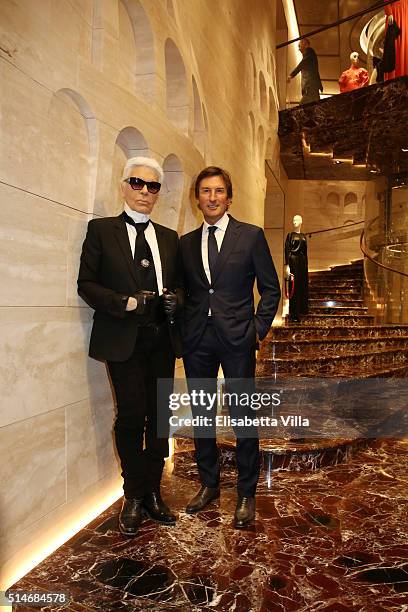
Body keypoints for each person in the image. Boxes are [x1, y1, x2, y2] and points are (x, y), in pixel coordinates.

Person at [77, 156, 183, 537]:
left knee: (159, 416)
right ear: (124, 186)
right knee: (131, 415)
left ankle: (154, 492)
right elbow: (86, 284)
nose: (145, 192)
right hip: (123, 339)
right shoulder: (101, 230)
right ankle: (133, 494)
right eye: (138, 183)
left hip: (161, 341)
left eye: (153, 186)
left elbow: (182, 286)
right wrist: (125, 302)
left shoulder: (170, 238)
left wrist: (178, 301)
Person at [180, 166, 281, 528]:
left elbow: (271, 289)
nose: (212, 197)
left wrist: (256, 329)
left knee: (241, 416)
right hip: (197, 341)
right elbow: (187, 292)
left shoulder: (250, 236)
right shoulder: (186, 243)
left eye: (219, 191)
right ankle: (208, 484)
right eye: (205, 191)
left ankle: (246, 493)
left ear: (229, 196)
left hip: (238, 338)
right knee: (203, 415)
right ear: (197, 198)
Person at [284, 214, 308, 323]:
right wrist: (287, 265)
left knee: (301, 286)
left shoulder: (304, 236)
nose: (294, 222)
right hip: (293, 261)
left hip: (302, 263)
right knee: (293, 287)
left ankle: (301, 311)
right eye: (293, 220)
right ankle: (293, 313)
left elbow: (305, 252)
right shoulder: (290, 235)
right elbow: (287, 250)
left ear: (301, 221)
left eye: (297, 220)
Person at [288, 38, 323, 104]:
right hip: (311, 88)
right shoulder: (310, 56)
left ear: (306, 45)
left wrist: (291, 75)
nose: (299, 49)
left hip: (310, 88)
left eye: (300, 46)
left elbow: (302, 64)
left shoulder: (310, 52)